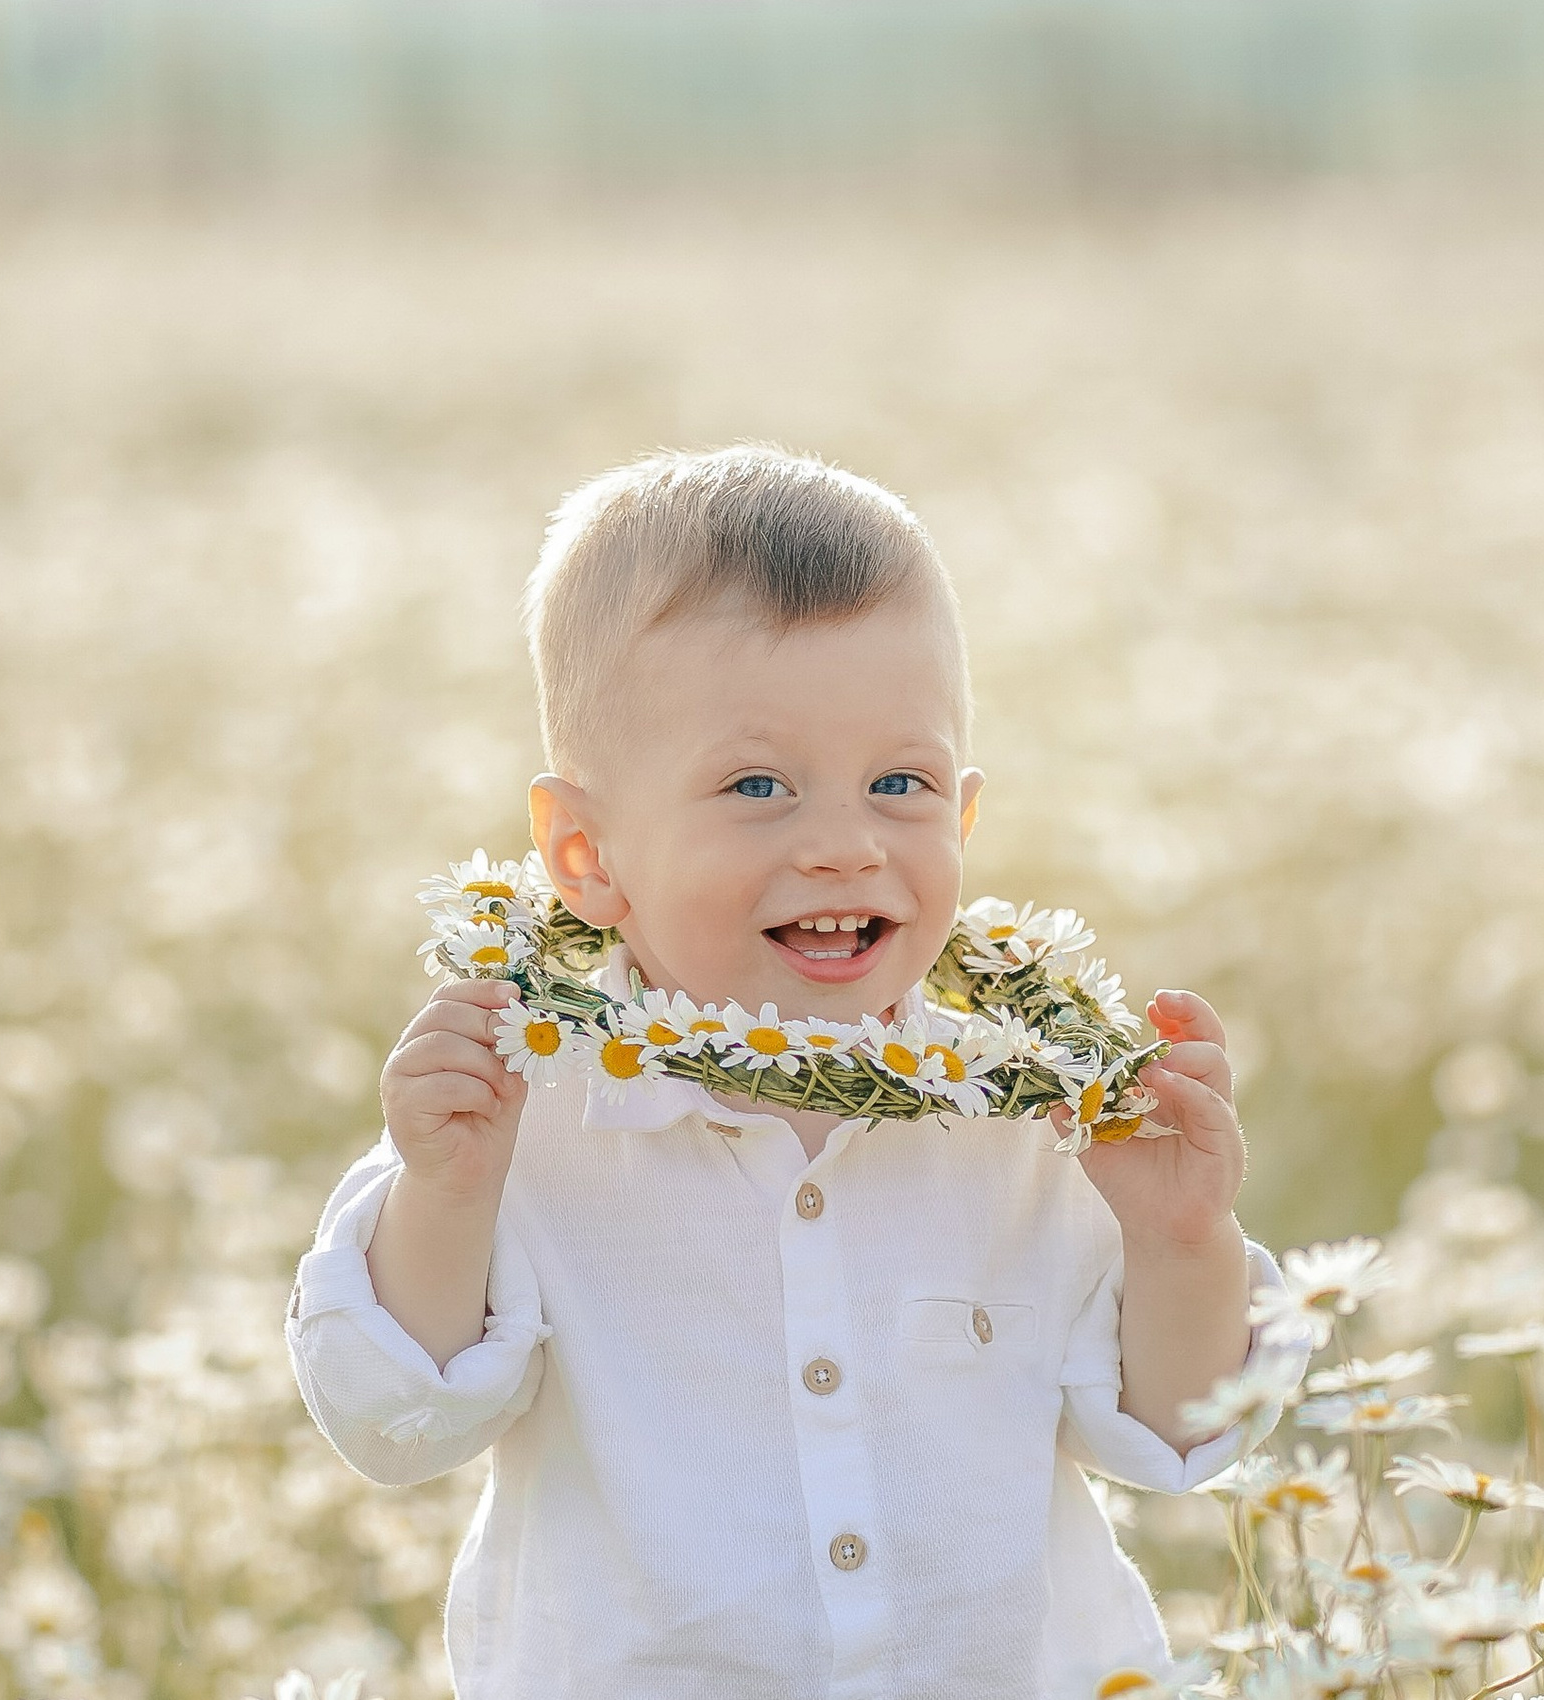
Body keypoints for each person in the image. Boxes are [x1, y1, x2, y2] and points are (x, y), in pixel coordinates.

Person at [286, 443, 1297, 1697]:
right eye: (757, 784)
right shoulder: (519, 1106)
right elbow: (394, 1424)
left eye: (899, 783)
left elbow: (1185, 1435)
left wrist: (1182, 1241)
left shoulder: (1034, 1103)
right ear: (585, 851)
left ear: (965, 816)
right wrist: (441, 1198)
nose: (842, 844)